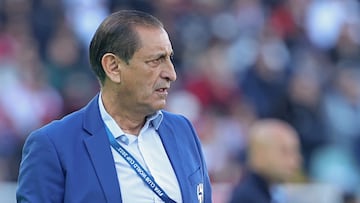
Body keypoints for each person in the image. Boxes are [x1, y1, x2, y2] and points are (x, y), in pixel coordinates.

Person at [16, 10, 212, 203]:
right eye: (156, 61)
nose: (171, 73)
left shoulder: (183, 130)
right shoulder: (54, 145)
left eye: (169, 58)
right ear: (113, 67)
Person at [228, 118, 302, 203]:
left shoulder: (268, 192)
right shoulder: (247, 198)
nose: (296, 159)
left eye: (295, 151)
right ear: (260, 154)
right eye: (284, 151)